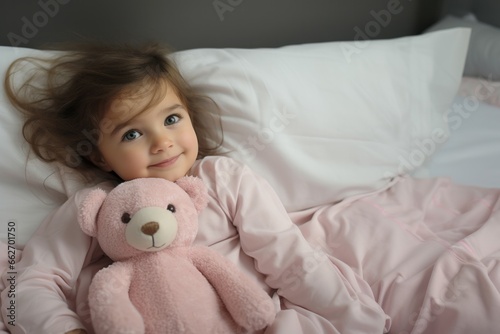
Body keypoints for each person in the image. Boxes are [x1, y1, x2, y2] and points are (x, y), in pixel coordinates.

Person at [0, 43, 390, 334]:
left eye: (172, 118)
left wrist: (348, 318)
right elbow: (29, 281)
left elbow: (286, 255)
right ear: (100, 156)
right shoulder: (97, 208)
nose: (162, 142)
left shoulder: (222, 178)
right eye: (132, 133)